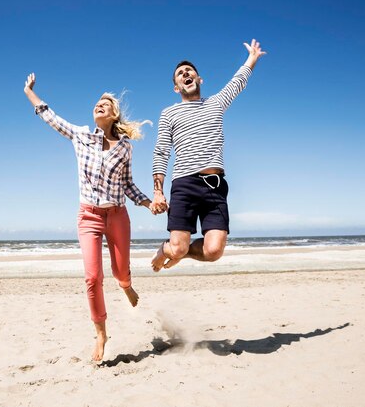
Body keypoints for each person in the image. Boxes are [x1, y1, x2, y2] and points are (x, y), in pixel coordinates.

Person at [23, 73, 152, 361]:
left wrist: (146, 202)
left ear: (114, 114)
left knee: (119, 272)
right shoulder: (81, 135)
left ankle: (126, 285)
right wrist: (30, 93)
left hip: (118, 215)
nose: (99, 106)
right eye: (97, 103)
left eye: (105, 104)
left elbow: (128, 184)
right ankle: (101, 333)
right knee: (93, 278)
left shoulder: (125, 147)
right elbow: (52, 118)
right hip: (89, 216)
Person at [150, 39, 267, 271]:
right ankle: (166, 249)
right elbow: (161, 151)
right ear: (176, 87)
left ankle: (180, 254)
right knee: (177, 247)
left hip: (215, 186)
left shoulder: (215, 103)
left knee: (214, 252)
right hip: (184, 184)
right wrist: (157, 191)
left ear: (199, 79)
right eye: (180, 74)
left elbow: (237, 83)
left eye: (190, 71)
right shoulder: (169, 113)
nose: (186, 74)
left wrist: (252, 58)